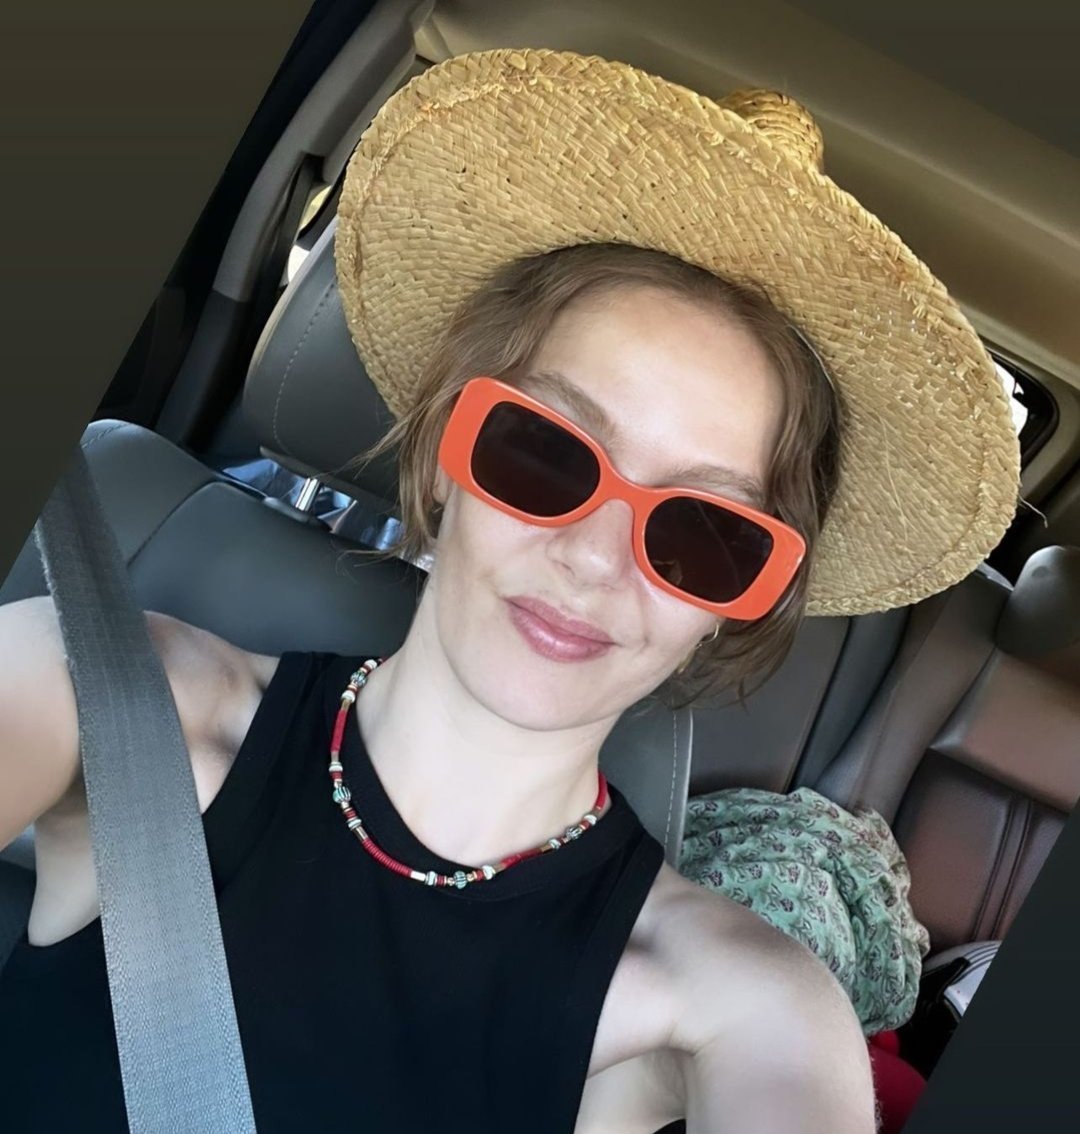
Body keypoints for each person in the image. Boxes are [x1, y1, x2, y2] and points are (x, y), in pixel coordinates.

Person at [0, 48, 1020, 1133]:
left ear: (734, 603)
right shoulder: (98, 691)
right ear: (448, 446)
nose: (595, 557)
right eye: (547, 453)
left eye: (704, 535)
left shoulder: (738, 1006)